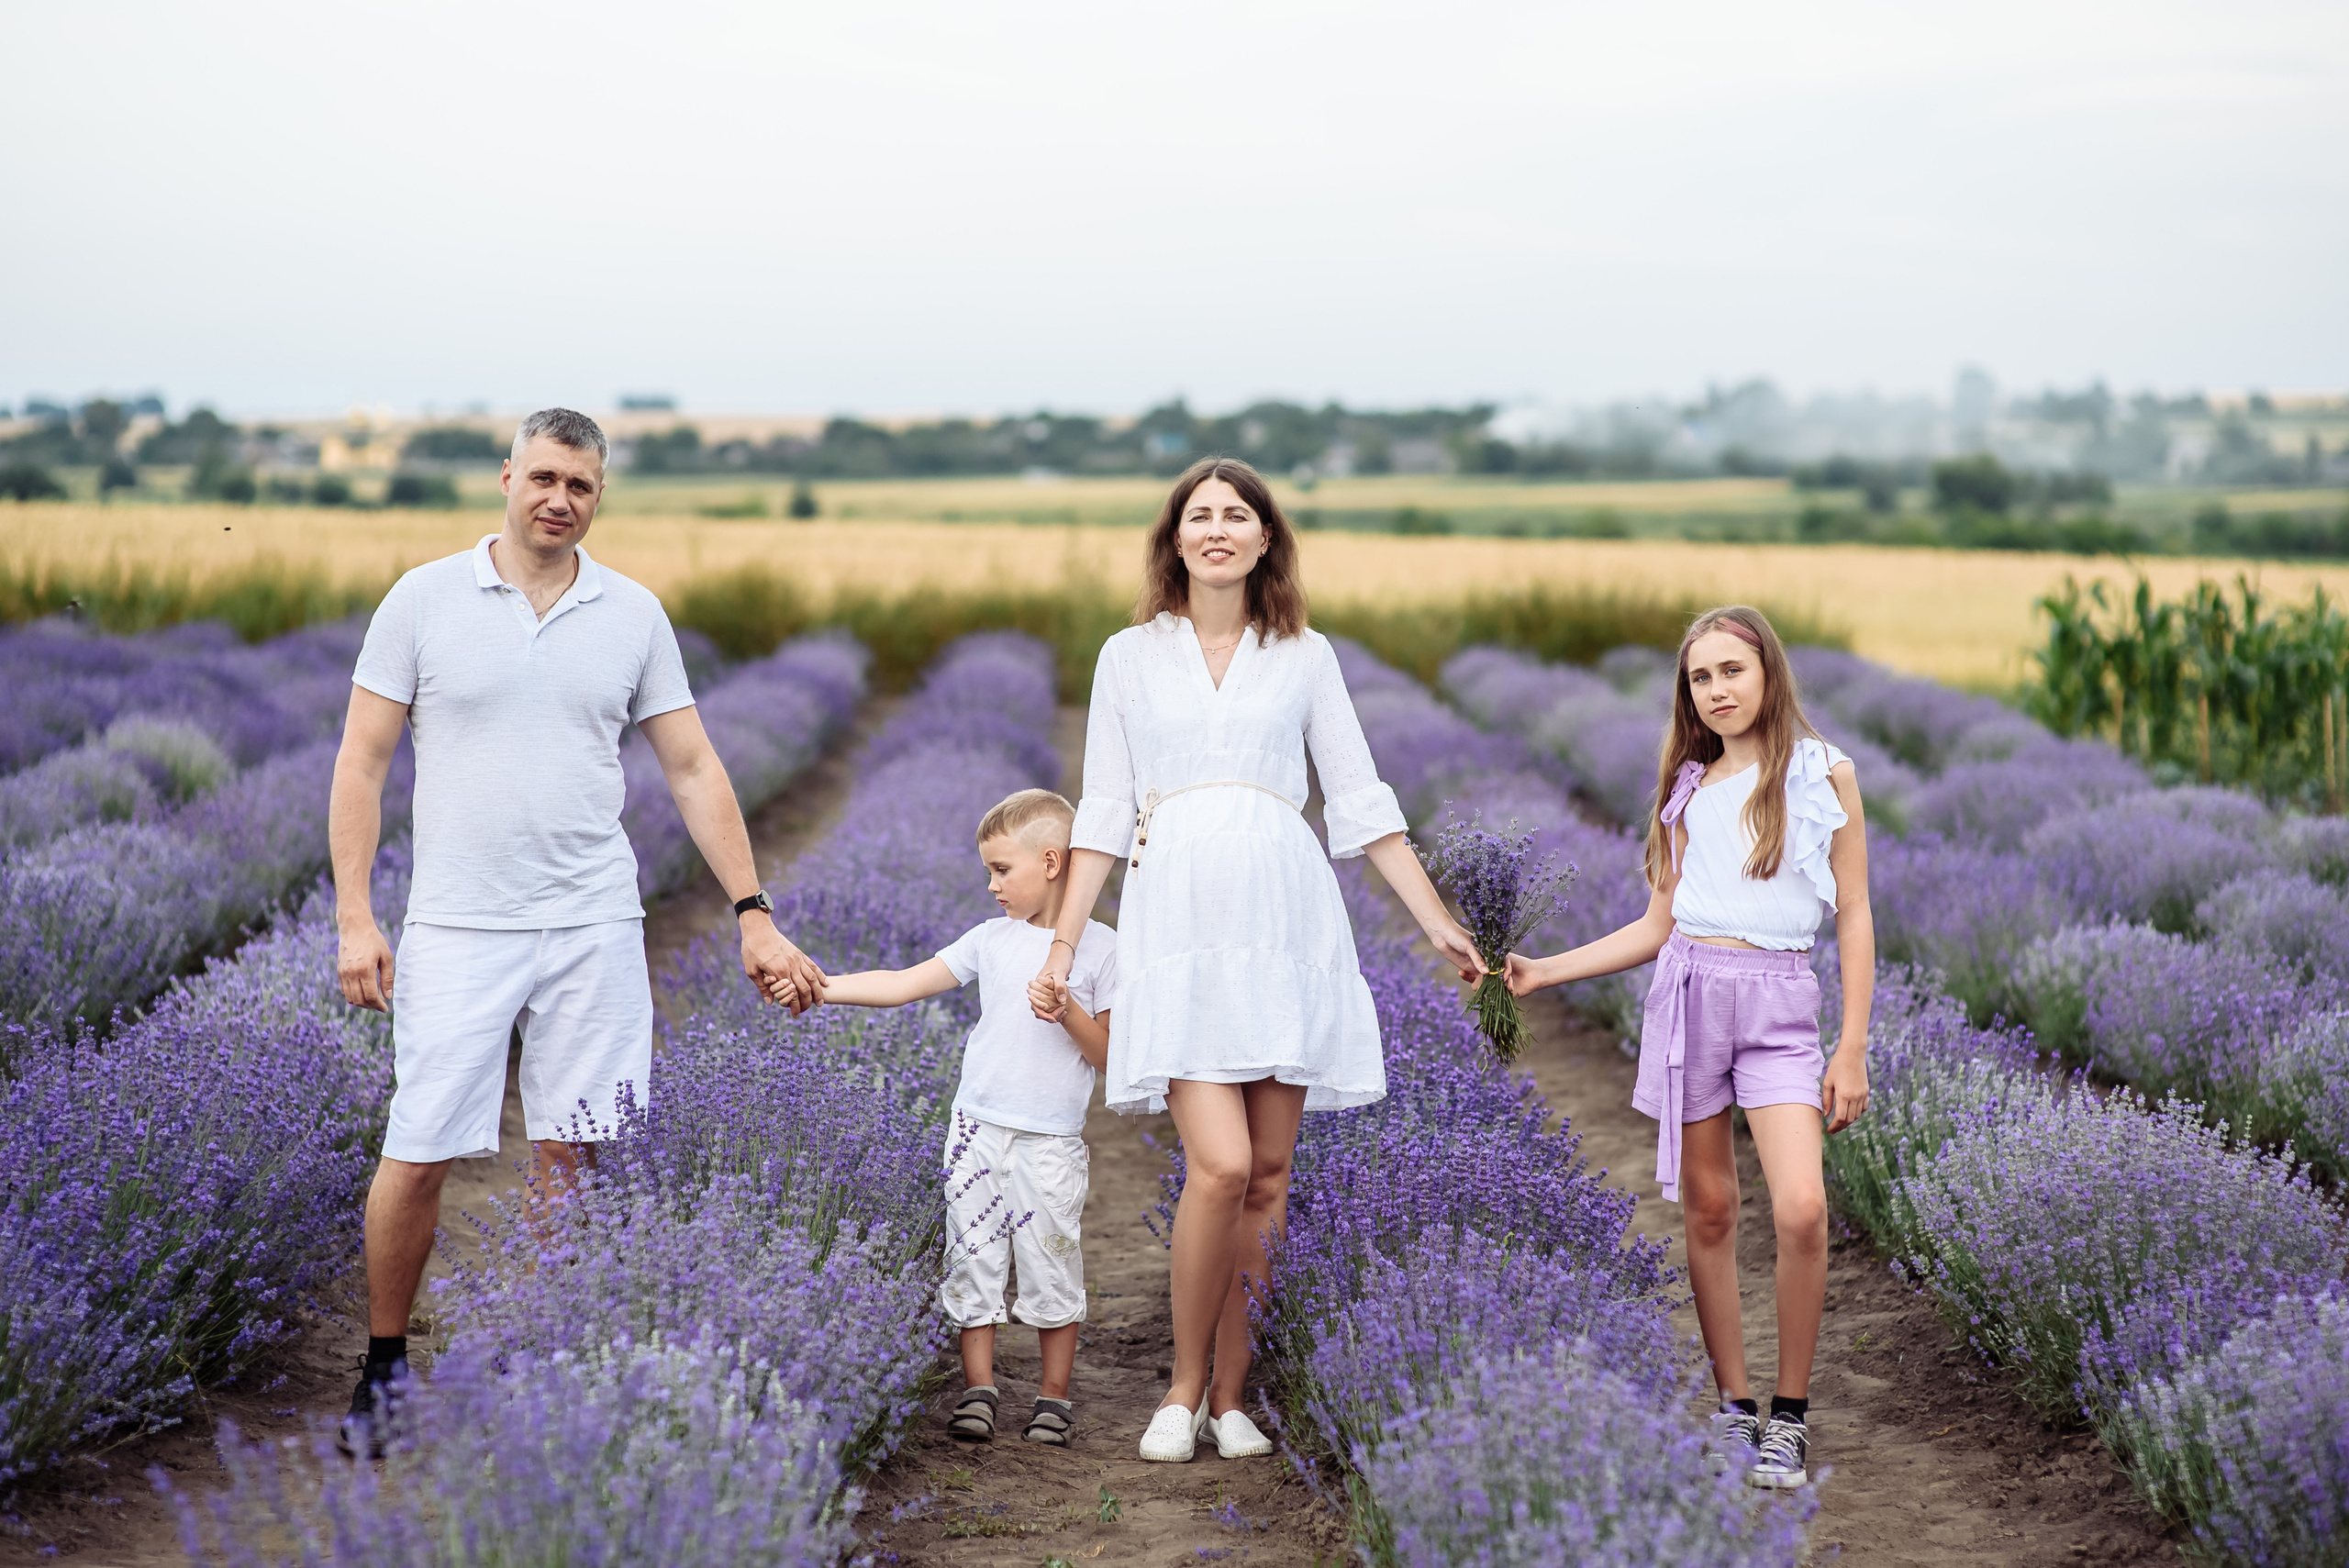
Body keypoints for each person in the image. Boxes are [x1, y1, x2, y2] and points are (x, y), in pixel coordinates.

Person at [328, 407, 826, 1457]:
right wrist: (356, 914)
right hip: (459, 921)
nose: (560, 498)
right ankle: (383, 1365)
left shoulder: (632, 613)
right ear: (507, 476)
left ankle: (547, 1361)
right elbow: (362, 761)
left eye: (582, 486)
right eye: (544, 477)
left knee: (577, 1145)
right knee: (419, 1150)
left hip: (595, 917)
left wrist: (752, 910)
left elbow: (692, 766)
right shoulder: (423, 600)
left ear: (600, 496)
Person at [1026, 456, 1484, 1464]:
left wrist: (1435, 919)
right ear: (1175, 538)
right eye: (1201, 515)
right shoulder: (1128, 655)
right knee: (1218, 1164)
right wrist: (1062, 941)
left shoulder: (1305, 655)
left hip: (1285, 916)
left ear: (1266, 537)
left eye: (1239, 514)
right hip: (1180, 920)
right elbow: (1101, 810)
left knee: (1269, 1174)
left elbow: (1359, 801)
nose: (1220, 528)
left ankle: (1234, 1397)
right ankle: (1181, 1385)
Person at [1504, 604, 1874, 1492]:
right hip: (1692, 997)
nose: (1716, 690)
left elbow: (1855, 910)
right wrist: (1544, 971)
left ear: (1768, 671)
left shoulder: (1827, 774)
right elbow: (1655, 924)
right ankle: (1731, 1405)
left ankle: (1789, 1416)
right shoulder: (1686, 787)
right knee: (1708, 1210)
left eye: (1731, 670)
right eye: (1700, 677)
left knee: (1800, 1211)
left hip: (1781, 1001)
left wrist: (1851, 1043)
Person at [808, 788, 1115, 1449]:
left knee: (1051, 1261)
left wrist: (1067, 1011)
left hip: (1049, 1140)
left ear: (1054, 861)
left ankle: (1053, 1397)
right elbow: (902, 982)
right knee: (970, 1255)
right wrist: (824, 987)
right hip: (975, 1129)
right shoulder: (991, 939)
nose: (991, 884)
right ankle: (980, 1389)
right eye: (989, 871)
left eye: (1002, 870)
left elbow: (1111, 1055)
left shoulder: (1104, 951)